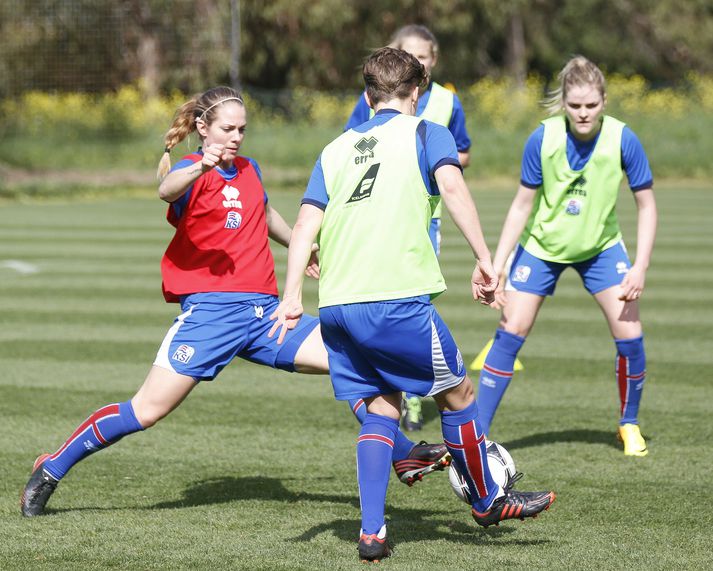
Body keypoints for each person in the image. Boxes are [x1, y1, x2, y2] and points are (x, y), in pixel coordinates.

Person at [20, 86, 449, 517]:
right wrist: (197, 167)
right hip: (211, 315)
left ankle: (403, 454)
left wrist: (304, 246)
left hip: (266, 315)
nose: (236, 137)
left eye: (242, 129)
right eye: (227, 128)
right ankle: (52, 467)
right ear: (203, 128)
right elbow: (166, 190)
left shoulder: (249, 169)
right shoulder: (192, 170)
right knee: (146, 410)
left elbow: (263, 214)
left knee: (354, 361)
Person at [270, 47, 555, 563]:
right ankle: (488, 501)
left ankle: (373, 533)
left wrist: (292, 296)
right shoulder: (427, 131)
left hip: (336, 304)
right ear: (416, 93)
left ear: (367, 96)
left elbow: (307, 221)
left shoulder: (334, 149)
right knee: (460, 394)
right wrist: (486, 258)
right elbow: (452, 186)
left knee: (382, 406)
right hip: (394, 300)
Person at [475, 56, 657, 457]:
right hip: (542, 248)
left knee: (630, 335)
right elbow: (522, 205)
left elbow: (646, 205)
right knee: (511, 331)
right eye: (575, 105)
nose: (583, 113)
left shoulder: (624, 139)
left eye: (591, 105)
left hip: (601, 248)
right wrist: (499, 264)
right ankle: (476, 435)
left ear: (604, 101)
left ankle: (629, 424)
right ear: (564, 104)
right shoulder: (542, 138)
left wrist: (640, 265)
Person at [345, 24, 472, 432]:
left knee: (411, 296)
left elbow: (462, 153)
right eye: (409, 54)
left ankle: (412, 396)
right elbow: (353, 144)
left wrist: (438, 159)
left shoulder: (447, 105)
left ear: (433, 61)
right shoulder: (375, 98)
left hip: (425, 213)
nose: (418, 61)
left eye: (424, 56)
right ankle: (401, 389)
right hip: (377, 209)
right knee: (393, 298)